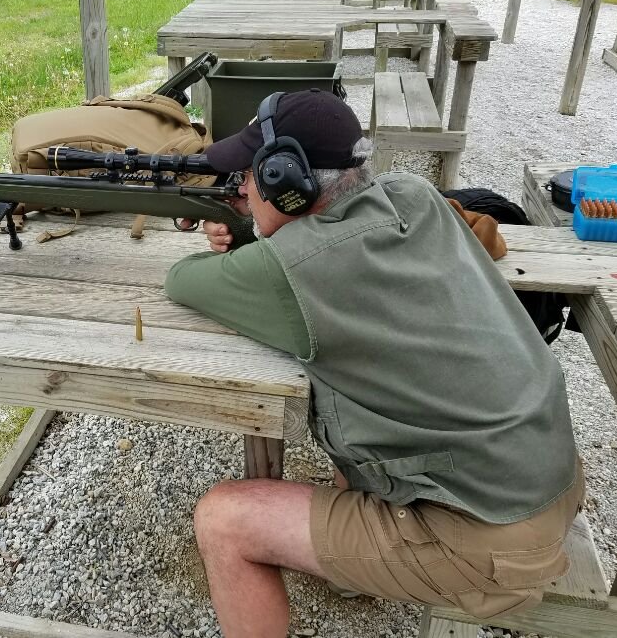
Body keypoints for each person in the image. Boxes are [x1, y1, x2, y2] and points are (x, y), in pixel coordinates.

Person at [164, 89, 584, 638]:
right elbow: (334, 237)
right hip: (548, 475)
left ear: (284, 184)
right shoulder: (414, 195)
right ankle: (356, 567)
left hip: (492, 536)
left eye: (248, 175)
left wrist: (239, 237)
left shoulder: (290, 271)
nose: (240, 186)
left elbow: (184, 280)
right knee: (354, 427)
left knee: (224, 521)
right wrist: (254, 227)